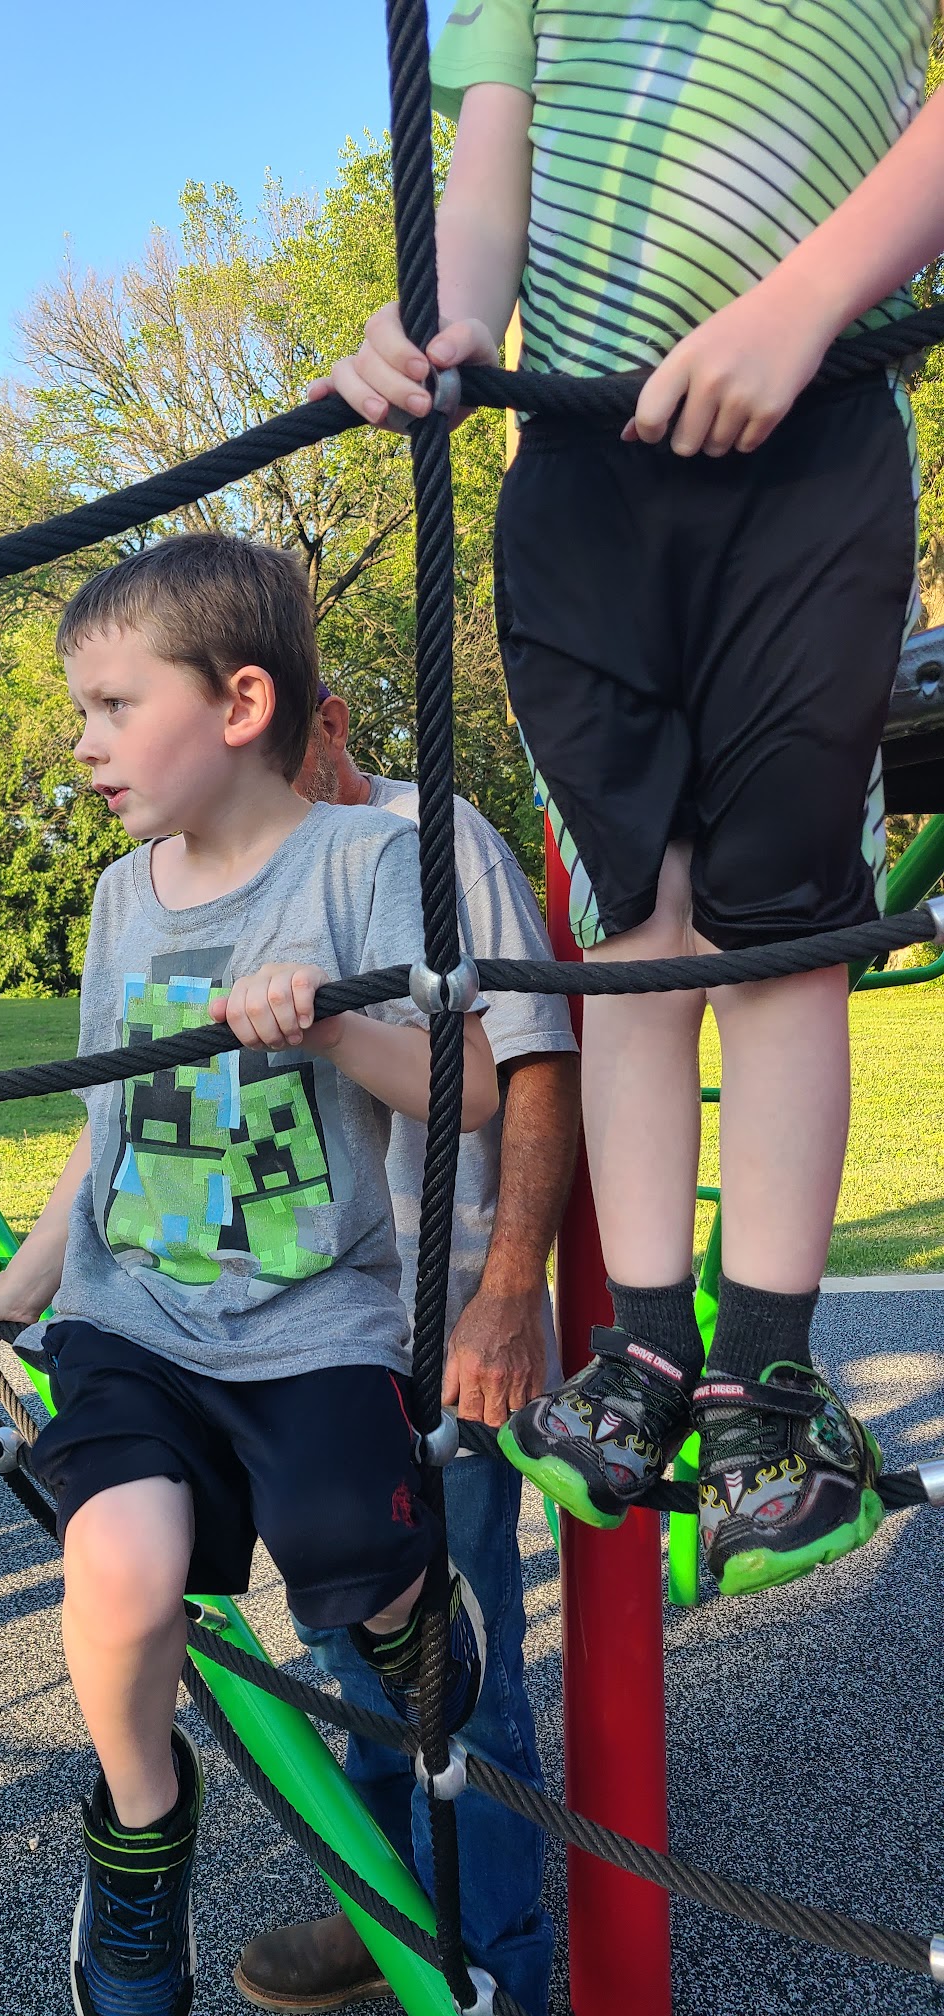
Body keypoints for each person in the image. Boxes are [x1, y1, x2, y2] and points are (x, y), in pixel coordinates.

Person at [314, 0, 944, 1597]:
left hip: (815, 420)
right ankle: (650, 1351)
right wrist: (443, 323)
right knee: (637, 933)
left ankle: (770, 1374)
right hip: (582, 459)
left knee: (777, 932)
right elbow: (492, 168)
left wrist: (804, 301)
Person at [0, 533, 499, 2016]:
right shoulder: (123, 897)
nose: (84, 742)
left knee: (345, 1548)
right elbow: (109, 1116)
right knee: (118, 1570)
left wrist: (332, 1028)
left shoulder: (363, 864)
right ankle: (140, 1836)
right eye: (84, 709)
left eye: (116, 706)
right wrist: (28, 1276)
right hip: (136, 1317)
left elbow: (474, 1090)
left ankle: (414, 1614)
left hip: (315, 1320)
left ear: (241, 703)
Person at [234, 688, 579, 2016]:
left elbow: (535, 1062)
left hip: (436, 1322)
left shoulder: (435, 841)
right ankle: (387, 1916)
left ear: (323, 723)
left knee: (458, 1661)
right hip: (306, 1339)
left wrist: (510, 1290)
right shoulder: (236, 865)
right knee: (349, 1638)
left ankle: (495, 1961)